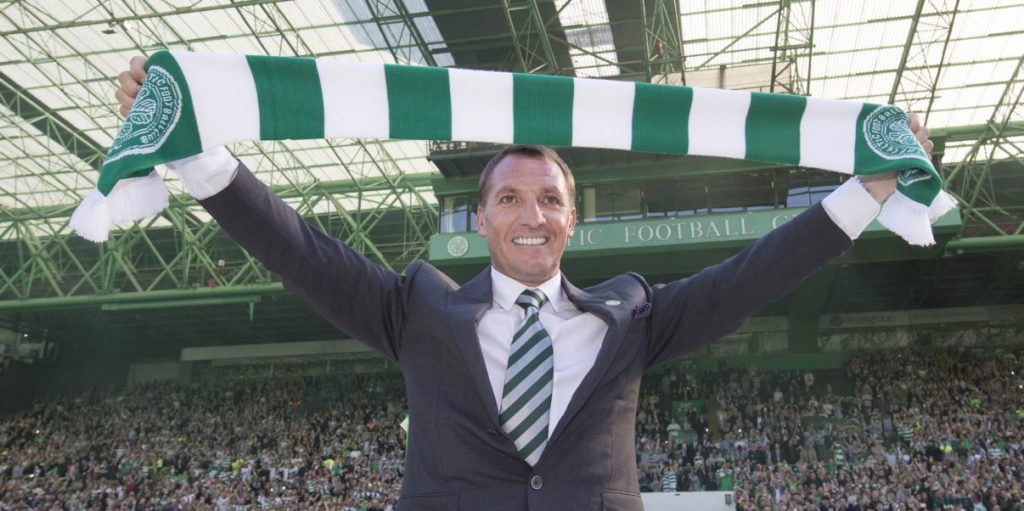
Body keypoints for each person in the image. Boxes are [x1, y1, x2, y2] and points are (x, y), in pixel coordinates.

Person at [115, 56, 933, 511]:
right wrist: (193, 150)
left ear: (573, 220)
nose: (531, 214)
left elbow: (755, 275)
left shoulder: (633, 315)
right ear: (481, 220)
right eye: (510, 198)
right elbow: (300, 249)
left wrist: (865, 191)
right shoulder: (418, 307)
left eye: (550, 199)